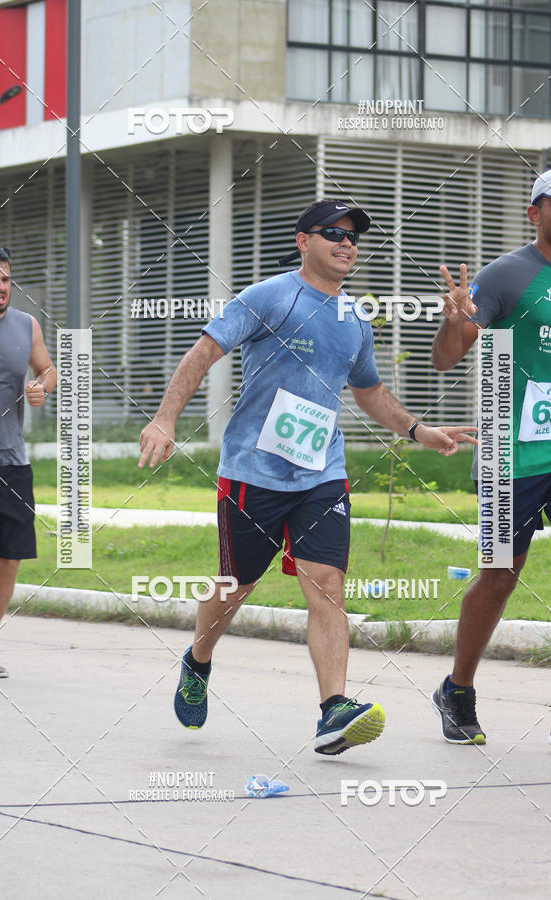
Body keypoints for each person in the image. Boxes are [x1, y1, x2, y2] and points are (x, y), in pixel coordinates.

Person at [139, 199, 477, 755]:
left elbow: (369, 392)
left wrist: (418, 430)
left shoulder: (356, 319)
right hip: (253, 471)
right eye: (333, 234)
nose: (347, 244)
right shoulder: (269, 297)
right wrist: (165, 418)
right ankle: (198, 661)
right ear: (303, 242)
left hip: (323, 473)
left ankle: (332, 711)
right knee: (234, 586)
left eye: (353, 238)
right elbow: (203, 352)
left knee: (327, 583)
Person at [431, 167, 551, 750]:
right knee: (499, 578)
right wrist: (455, 322)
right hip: (506, 452)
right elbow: (447, 359)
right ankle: (458, 688)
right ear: (535, 214)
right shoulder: (506, 275)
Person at [0, 247, 57, 677]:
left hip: (12, 461)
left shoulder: (26, 325)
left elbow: (47, 368)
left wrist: (41, 386)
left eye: (5, 280)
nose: (0, 288)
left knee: (9, 559)